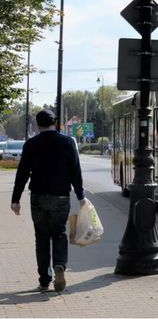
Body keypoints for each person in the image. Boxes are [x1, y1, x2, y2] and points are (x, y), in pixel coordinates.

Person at [10, 109, 85, 292]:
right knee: (59, 233)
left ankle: (44, 280)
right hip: (61, 197)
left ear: (38, 125)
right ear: (55, 123)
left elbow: (22, 173)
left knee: (41, 238)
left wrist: (16, 200)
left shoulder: (31, 144)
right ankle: (59, 264)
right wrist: (81, 196)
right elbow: (75, 170)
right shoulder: (67, 143)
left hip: (38, 197)